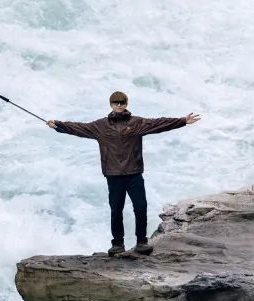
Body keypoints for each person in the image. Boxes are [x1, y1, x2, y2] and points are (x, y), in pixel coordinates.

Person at [47, 92, 201, 257]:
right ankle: (117, 244)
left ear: (126, 104)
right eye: (116, 102)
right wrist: (57, 125)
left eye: (122, 102)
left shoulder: (137, 123)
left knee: (140, 208)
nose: (119, 105)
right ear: (111, 104)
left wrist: (182, 121)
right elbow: (78, 128)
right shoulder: (100, 126)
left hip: (134, 174)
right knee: (116, 210)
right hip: (113, 175)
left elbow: (159, 123)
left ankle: (141, 242)